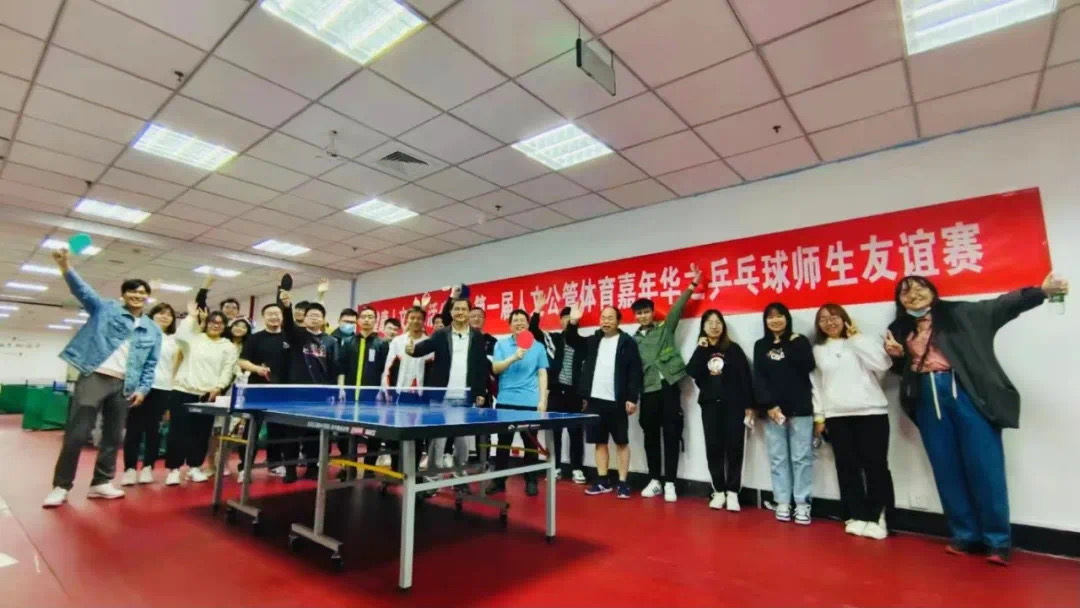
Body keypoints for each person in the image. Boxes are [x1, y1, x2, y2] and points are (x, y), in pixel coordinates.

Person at [884, 273, 1068, 565]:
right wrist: (896, 356)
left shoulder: (962, 313)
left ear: (933, 291)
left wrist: (1040, 292)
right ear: (900, 300)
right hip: (927, 398)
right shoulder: (900, 328)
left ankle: (997, 541)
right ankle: (965, 535)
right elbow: (903, 369)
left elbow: (1001, 306)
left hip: (967, 392)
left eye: (920, 287)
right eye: (906, 292)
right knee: (946, 469)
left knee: (985, 467)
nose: (914, 294)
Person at [43, 249, 162, 508]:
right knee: (77, 434)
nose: (137, 295)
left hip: (125, 385)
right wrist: (65, 266)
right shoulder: (106, 309)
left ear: (147, 297)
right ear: (124, 295)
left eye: (142, 292)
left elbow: (151, 363)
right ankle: (61, 486)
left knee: (113, 437)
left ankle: (101, 482)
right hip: (94, 376)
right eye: (132, 291)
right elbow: (83, 292)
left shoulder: (153, 329)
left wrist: (143, 389)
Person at [811, 304, 893, 539]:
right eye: (823, 319)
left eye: (834, 317)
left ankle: (878, 516)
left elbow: (883, 364)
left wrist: (856, 338)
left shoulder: (861, 340)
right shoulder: (817, 350)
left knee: (875, 466)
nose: (829, 322)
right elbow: (816, 385)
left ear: (844, 318)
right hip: (836, 415)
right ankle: (855, 514)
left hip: (871, 412)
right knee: (847, 467)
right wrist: (820, 415)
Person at [631, 264, 702, 502]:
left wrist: (692, 285)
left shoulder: (665, 329)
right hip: (647, 390)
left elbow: (677, 309)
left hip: (668, 387)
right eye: (639, 313)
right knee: (650, 436)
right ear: (635, 316)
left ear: (653, 313)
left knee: (671, 434)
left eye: (646, 312)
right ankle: (655, 481)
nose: (643, 316)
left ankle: (670, 482)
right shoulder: (632, 340)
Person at [406, 297, 490, 489]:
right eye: (456, 309)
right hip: (441, 396)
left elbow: (481, 366)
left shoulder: (477, 336)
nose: (460, 312)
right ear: (450, 312)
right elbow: (423, 348)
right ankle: (432, 479)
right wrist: (412, 350)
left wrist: (480, 391)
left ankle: (459, 475)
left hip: (465, 396)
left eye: (463, 309)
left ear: (468, 312)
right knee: (438, 439)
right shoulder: (441, 334)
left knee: (462, 440)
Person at [564, 304, 643, 499]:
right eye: (603, 318)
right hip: (595, 400)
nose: (606, 321)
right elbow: (572, 340)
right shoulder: (593, 340)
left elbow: (635, 372)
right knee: (599, 442)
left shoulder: (627, 343)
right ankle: (602, 480)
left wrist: (632, 398)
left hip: (617, 400)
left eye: (610, 318)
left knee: (621, 442)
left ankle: (623, 482)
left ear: (618, 321)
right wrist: (573, 321)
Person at [753, 302, 816, 525]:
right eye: (770, 317)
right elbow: (759, 377)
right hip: (773, 411)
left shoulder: (799, 341)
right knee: (778, 458)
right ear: (765, 321)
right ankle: (782, 501)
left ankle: (802, 503)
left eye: (779, 316)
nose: (775, 320)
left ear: (787, 318)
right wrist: (768, 405)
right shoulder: (760, 345)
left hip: (800, 408)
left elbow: (808, 366)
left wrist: (792, 344)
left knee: (802, 458)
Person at [164, 302, 238, 486]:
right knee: (177, 432)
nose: (216, 325)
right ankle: (173, 470)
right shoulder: (194, 339)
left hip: (207, 396)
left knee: (201, 433)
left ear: (225, 326)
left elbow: (228, 370)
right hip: (183, 391)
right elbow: (180, 335)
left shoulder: (228, 346)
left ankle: (195, 467)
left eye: (220, 323)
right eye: (213, 322)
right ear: (207, 323)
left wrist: (219, 387)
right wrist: (191, 316)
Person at [687, 309, 753, 512]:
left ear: (723, 326)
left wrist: (749, 405)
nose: (714, 326)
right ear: (703, 327)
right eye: (709, 322)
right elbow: (692, 371)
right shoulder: (702, 350)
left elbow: (745, 378)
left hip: (734, 405)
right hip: (710, 405)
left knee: (734, 447)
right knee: (713, 447)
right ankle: (718, 491)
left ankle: (733, 492)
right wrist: (700, 348)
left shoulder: (733, 349)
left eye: (718, 322)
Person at [278, 291, 340, 482]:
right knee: (292, 433)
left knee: (315, 433)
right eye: (310, 315)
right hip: (296, 393)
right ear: (304, 319)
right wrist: (287, 307)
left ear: (324, 320)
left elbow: (334, 367)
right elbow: (288, 325)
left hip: (320, 395)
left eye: (318, 315)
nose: (314, 318)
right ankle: (290, 469)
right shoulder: (297, 335)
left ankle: (312, 467)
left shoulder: (331, 341)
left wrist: (334, 391)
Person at [488, 309, 549, 496]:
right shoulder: (501, 344)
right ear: (510, 325)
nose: (519, 323)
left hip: (529, 403)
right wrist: (514, 357)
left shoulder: (538, 347)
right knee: (503, 444)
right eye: (515, 320)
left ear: (528, 324)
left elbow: (542, 373)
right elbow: (495, 368)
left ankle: (531, 481)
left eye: (522, 320)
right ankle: (499, 481)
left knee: (530, 444)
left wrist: (542, 399)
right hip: (506, 402)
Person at [122, 303, 180, 486]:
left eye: (169, 314)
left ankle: (148, 467)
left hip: (163, 388)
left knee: (153, 430)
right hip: (139, 387)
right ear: (151, 315)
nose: (164, 317)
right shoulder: (141, 334)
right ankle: (130, 469)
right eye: (160, 313)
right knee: (133, 429)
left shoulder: (173, 340)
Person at [531, 304, 586, 484]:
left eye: (572, 318)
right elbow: (533, 331)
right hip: (555, 391)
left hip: (574, 393)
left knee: (575, 432)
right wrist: (537, 311)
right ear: (561, 320)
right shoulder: (552, 339)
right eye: (566, 318)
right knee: (554, 433)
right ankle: (554, 467)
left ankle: (577, 468)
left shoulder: (582, 342)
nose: (569, 321)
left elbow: (572, 338)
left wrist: (584, 395)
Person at [238, 303, 292, 478]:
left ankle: (274, 464)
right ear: (264, 317)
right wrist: (257, 369)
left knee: (278, 429)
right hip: (257, 389)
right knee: (252, 428)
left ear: (282, 316)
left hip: (282, 391)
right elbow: (242, 361)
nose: (274, 317)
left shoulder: (289, 337)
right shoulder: (255, 338)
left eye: (277, 313)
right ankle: (244, 466)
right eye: (270, 314)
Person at [338, 307, 388, 478]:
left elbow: (385, 370)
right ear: (358, 321)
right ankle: (349, 466)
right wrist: (341, 388)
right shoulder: (348, 342)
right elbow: (341, 368)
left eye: (370, 317)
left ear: (375, 320)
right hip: (349, 396)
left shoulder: (382, 344)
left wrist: (382, 391)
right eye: (364, 317)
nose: (367, 320)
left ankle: (369, 468)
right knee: (345, 433)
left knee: (373, 435)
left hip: (372, 398)